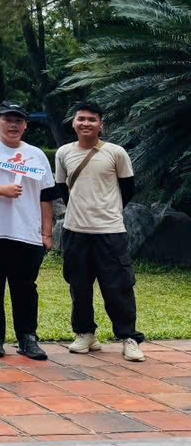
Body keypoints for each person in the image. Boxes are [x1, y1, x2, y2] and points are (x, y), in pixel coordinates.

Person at [54, 101, 144, 362]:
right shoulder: (63, 153)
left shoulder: (116, 153)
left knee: (118, 287)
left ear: (101, 125)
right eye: (81, 118)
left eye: (92, 119)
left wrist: (108, 210)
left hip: (110, 231)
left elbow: (128, 189)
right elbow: (62, 188)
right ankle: (85, 333)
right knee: (79, 286)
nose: (86, 123)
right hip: (75, 231)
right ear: (73, 123)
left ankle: (128, 338)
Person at [0, 100, 57, 361]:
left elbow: (46, 196)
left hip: (26, 233)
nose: (13, 125)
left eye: (18, 120)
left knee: (25, 287)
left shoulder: (36, 155)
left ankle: (27, 337)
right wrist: (1, 190)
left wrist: (47, 233)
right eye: (8, 119)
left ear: (26, 125)